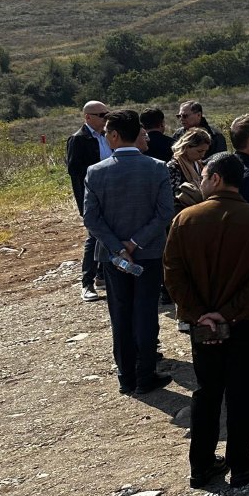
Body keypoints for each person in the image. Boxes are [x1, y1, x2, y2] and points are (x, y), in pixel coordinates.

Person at [163, 152, 249, 487]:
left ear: (214, 178)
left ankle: (201, 464)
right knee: (241, 390)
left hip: (202, 325)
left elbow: (172, 274)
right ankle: (241, 463)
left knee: (206, 390)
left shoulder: (185, 220)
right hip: (247, 320)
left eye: (203, 175)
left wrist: (201, 314)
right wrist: (228, 312)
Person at [81, 110, 174, 395]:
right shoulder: (158, 167)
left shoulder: (96, 171)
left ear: (114, 135)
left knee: (120, 314)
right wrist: (135, 242)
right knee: (146, 312)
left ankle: (126, 377)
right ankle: (146, 375)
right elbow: (164, 213)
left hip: (112, 256)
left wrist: (118, 247)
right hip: (148, 253)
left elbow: (91, 218)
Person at [67, 100, 111, 302]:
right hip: (92, 196)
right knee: (94, 237)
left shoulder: (107, 136)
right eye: (102, 115)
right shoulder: (78, 139)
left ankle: (102, 275)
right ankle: (87, 283)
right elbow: (75, 170)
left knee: (109, 234)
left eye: (107, 114)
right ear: (88, 117)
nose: (106, 118)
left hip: (111, 195)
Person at [168, 127, 212, 211]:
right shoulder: (174, 167)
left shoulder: (200, 164)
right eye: (199, 151)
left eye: (205, 151)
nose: (202, 155)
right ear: (186, 146)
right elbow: (170, 195)